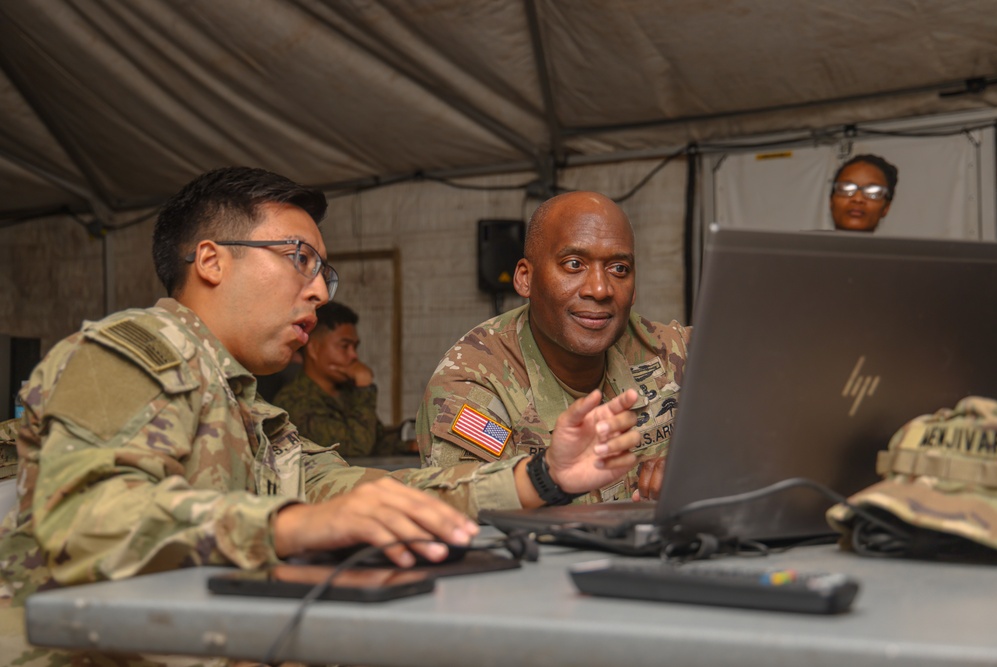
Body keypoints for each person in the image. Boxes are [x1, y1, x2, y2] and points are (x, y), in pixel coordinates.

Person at [0, 167, 641, 665]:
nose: (318, 290)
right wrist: (296, 524)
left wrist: (541, 477)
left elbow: (357, 491)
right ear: (212, 260)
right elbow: (85, 518)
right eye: (299, 258)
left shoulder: (248, 407)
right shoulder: (138, 352)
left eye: (324, 272)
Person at [416, 191, 691, 504]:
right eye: (574, 264)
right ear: (525, 278)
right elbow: (466, 512)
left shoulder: (670, 352)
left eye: (618, 269)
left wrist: (692, 473)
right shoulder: (474, 383)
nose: (600, 289)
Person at [273, 300, 415, 460]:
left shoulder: (346, 391)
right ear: (314, 349)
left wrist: (409, 446)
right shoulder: (293, 402)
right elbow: (358, 448)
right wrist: (364, 388)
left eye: (355, 347)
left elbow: (374, 439)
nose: (354, 355)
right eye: (344, 346)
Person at [829, 154, 898, 233]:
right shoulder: (812, 244)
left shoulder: (906, 246)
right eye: (846, 188)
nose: (858, 199)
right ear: (831, 201)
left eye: (873, 191)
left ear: (886, 207)